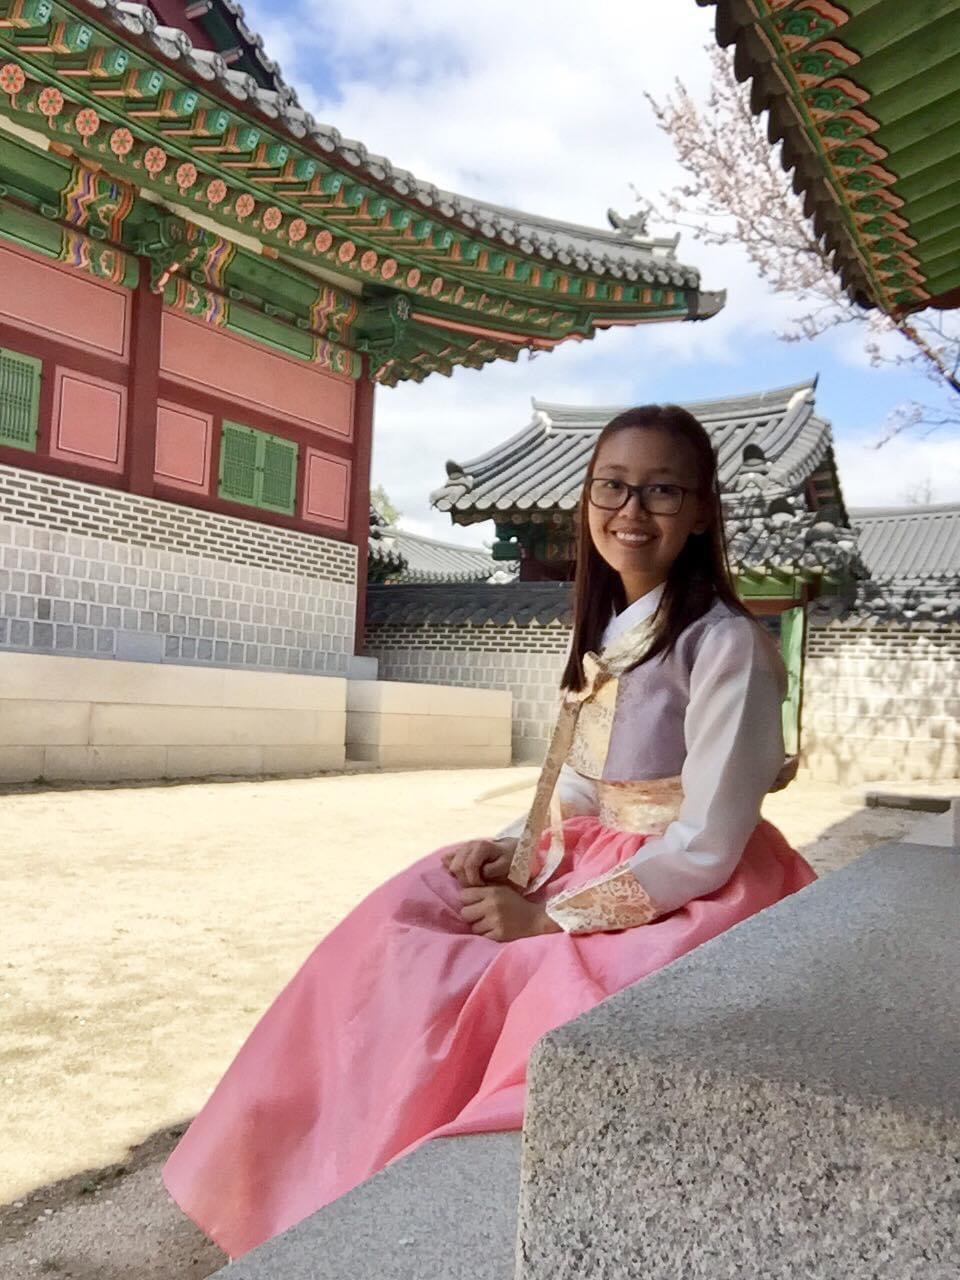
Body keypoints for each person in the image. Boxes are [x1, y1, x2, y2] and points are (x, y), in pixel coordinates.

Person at [163, 405, 815, 1257]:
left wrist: (555, 918)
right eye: (612, 487)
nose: (631, 510)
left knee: (509, 980)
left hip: (685, 883)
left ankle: (411, 1201)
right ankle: (300, 1179)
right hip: (601, 852)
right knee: (402, 920)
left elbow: (707, 843)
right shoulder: (613, 629)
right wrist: (517, 846)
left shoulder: (726, 646)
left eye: (661, 490)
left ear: (700, 512)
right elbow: (585, 783)